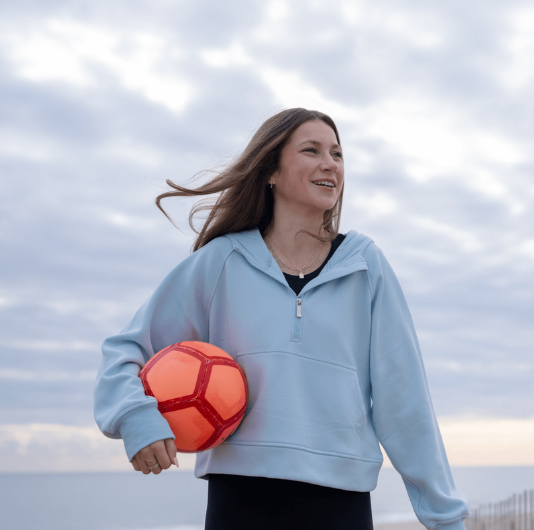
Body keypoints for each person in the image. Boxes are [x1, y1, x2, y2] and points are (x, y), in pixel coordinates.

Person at [93, 108, 469, 529]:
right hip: (240, 499)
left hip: (341, 503)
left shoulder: (366, 265)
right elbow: (126, 350)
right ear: (271, 170)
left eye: (338, 154)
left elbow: (406, 400)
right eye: (312, 150)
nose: (330, 163)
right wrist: (134, 416)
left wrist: (446, 518)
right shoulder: (221, 262)